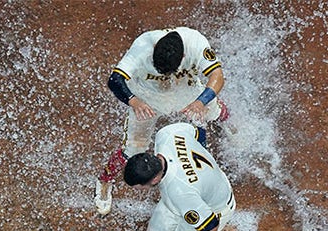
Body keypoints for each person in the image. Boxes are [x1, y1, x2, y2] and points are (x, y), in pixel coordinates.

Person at [95, 27, 228, 215]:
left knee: (213, 110)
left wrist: (200, 102)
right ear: (155, 48)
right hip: (147, 98)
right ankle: (104, 181)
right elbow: (114, 80)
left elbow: (217, 77)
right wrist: (134, 101)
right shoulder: (143, 45)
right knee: (133, 150)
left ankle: (229, 124)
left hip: (185, 92)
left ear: (182, 56)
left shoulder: (195, 42)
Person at [123, 122, 236, 231]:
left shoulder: (179, 192)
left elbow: (210, 226)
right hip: (197, 195)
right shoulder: (166, 134)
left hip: (214, 207)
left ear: (154, 180)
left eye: (139, 187)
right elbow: (199, 134)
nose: (137, 190)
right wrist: (199, 175)